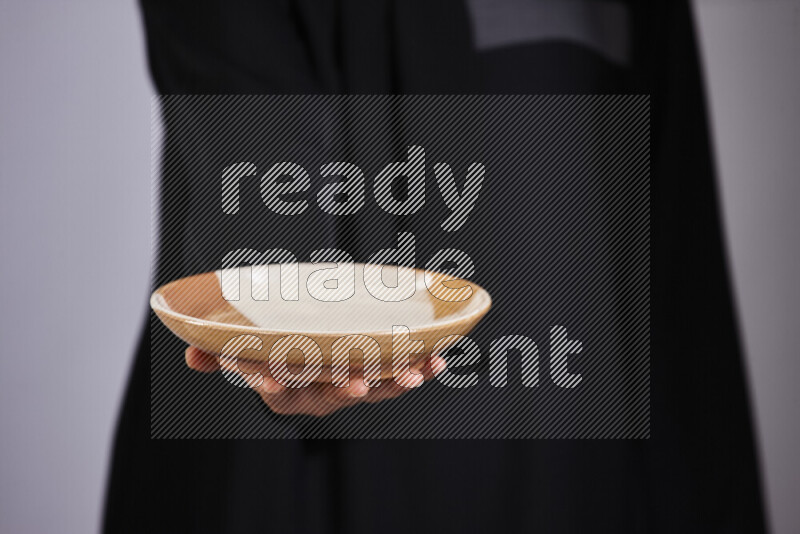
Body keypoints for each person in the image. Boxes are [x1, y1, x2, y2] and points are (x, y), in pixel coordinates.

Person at [104, 1, 766, 532]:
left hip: (581, 451)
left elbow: (673, 256)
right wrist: (284, 320)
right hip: (298, 462)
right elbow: (238, 106)